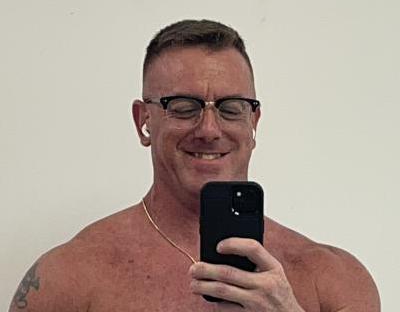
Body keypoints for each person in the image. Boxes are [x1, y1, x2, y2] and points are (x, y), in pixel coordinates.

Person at [9, 19, 380, 312]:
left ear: (253, 123)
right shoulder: (69, 278)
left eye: (231, 108)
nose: (209, 130)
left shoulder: (332, 280)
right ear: (143, 121)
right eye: (184, 107)